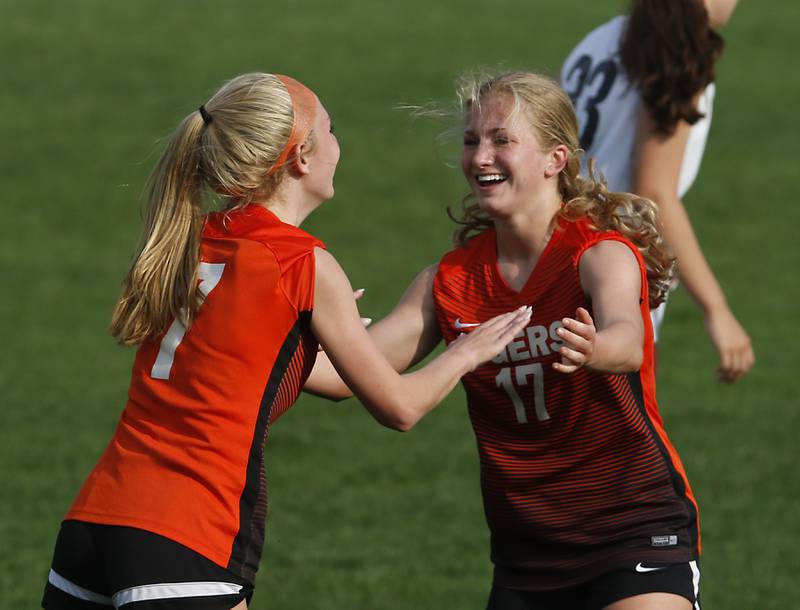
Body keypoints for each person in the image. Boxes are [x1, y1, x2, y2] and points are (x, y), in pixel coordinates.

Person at [41, 72, 532, 610]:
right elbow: (401, 407)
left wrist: (321, 337)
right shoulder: (301, 263)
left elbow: (288, 374)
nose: (339, 145)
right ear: (302, 157)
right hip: (186, 535)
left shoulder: (193, 239)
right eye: (332, 129)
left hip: (93, 525)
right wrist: (469, 350)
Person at [306, 72, 703, 609]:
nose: (480, 156)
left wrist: (593, 348)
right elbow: (346, 375)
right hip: (527, 553)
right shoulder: (447, 283)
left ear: (555, 159)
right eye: (472, 141)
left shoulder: (597, 254)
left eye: (501, 140)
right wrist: (265, 339)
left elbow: (628, 342)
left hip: (632, 526)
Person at [560, 0, 754, 382]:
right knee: (627, 432)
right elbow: (655, 191)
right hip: (615, 265)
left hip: (557, 244)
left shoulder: (604, 36)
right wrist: (717, 310)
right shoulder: (680, 55)